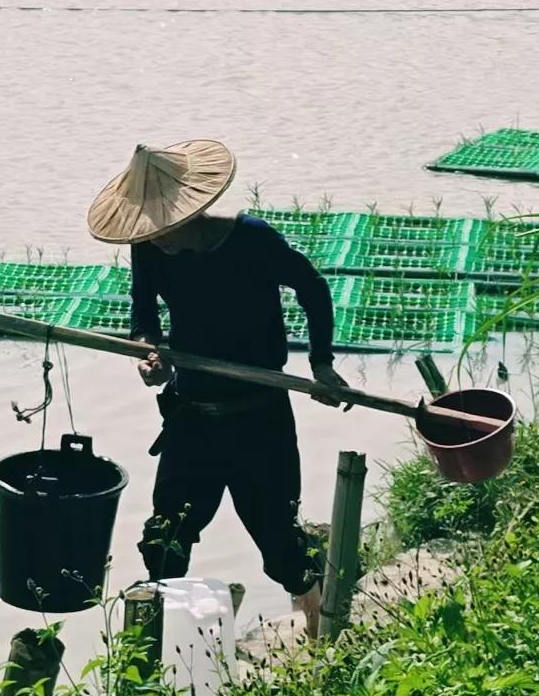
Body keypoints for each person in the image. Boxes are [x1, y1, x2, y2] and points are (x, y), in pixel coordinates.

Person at [86, 139, 348, 639]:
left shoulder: (252, 239)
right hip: (192, 417)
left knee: (279, 543)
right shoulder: (148, 248)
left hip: (260, 416)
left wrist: (321, 364)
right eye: (150, 230)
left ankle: (320, 636)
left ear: (193, 213)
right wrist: (149, 351)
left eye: (166, 227)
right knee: (166, 541)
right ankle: (151, 665)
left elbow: (312, 289)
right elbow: (144, 315)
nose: (157, 238)